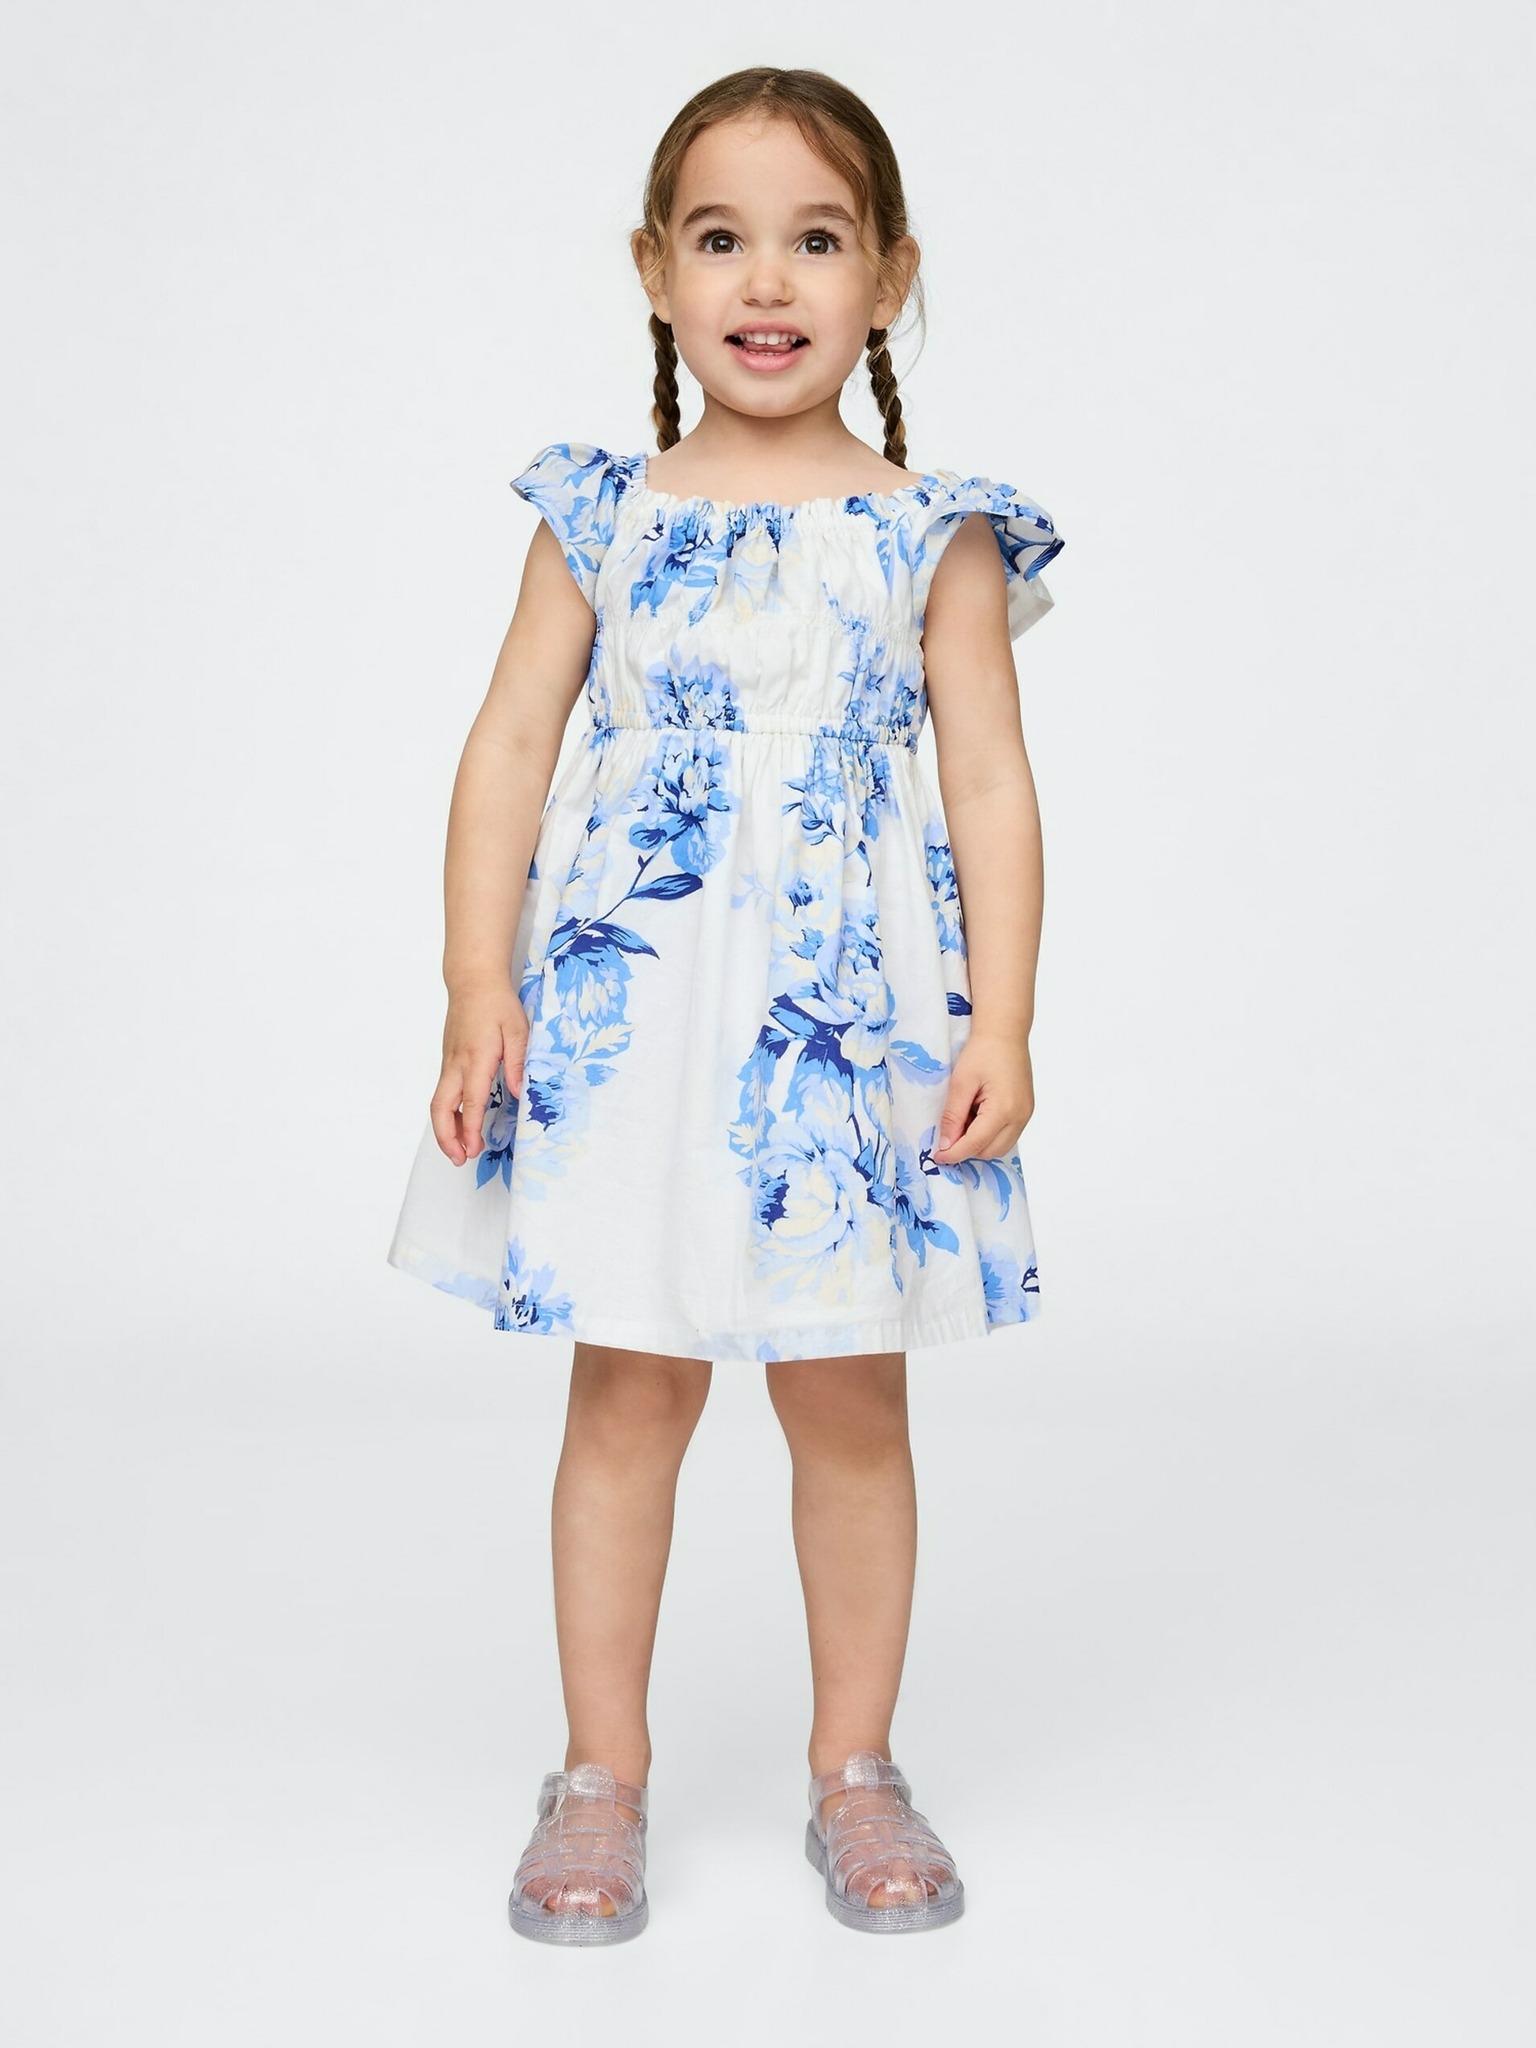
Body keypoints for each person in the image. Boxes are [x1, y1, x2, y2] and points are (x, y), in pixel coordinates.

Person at [386, 65, 1065, 1944]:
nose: (768, 280)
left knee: (850, 1402)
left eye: (817, 239)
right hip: (635, 1022)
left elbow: (991, 784)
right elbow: (508, 746)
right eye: (721, 238)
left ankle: (859, 1765)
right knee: (628, 1391)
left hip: (840, 1039)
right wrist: (473, 981)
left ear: (888, 277)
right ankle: (599, 1771)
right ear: (655, 272)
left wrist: (1003, 1020)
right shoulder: (601, 514)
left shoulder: (933, 532)